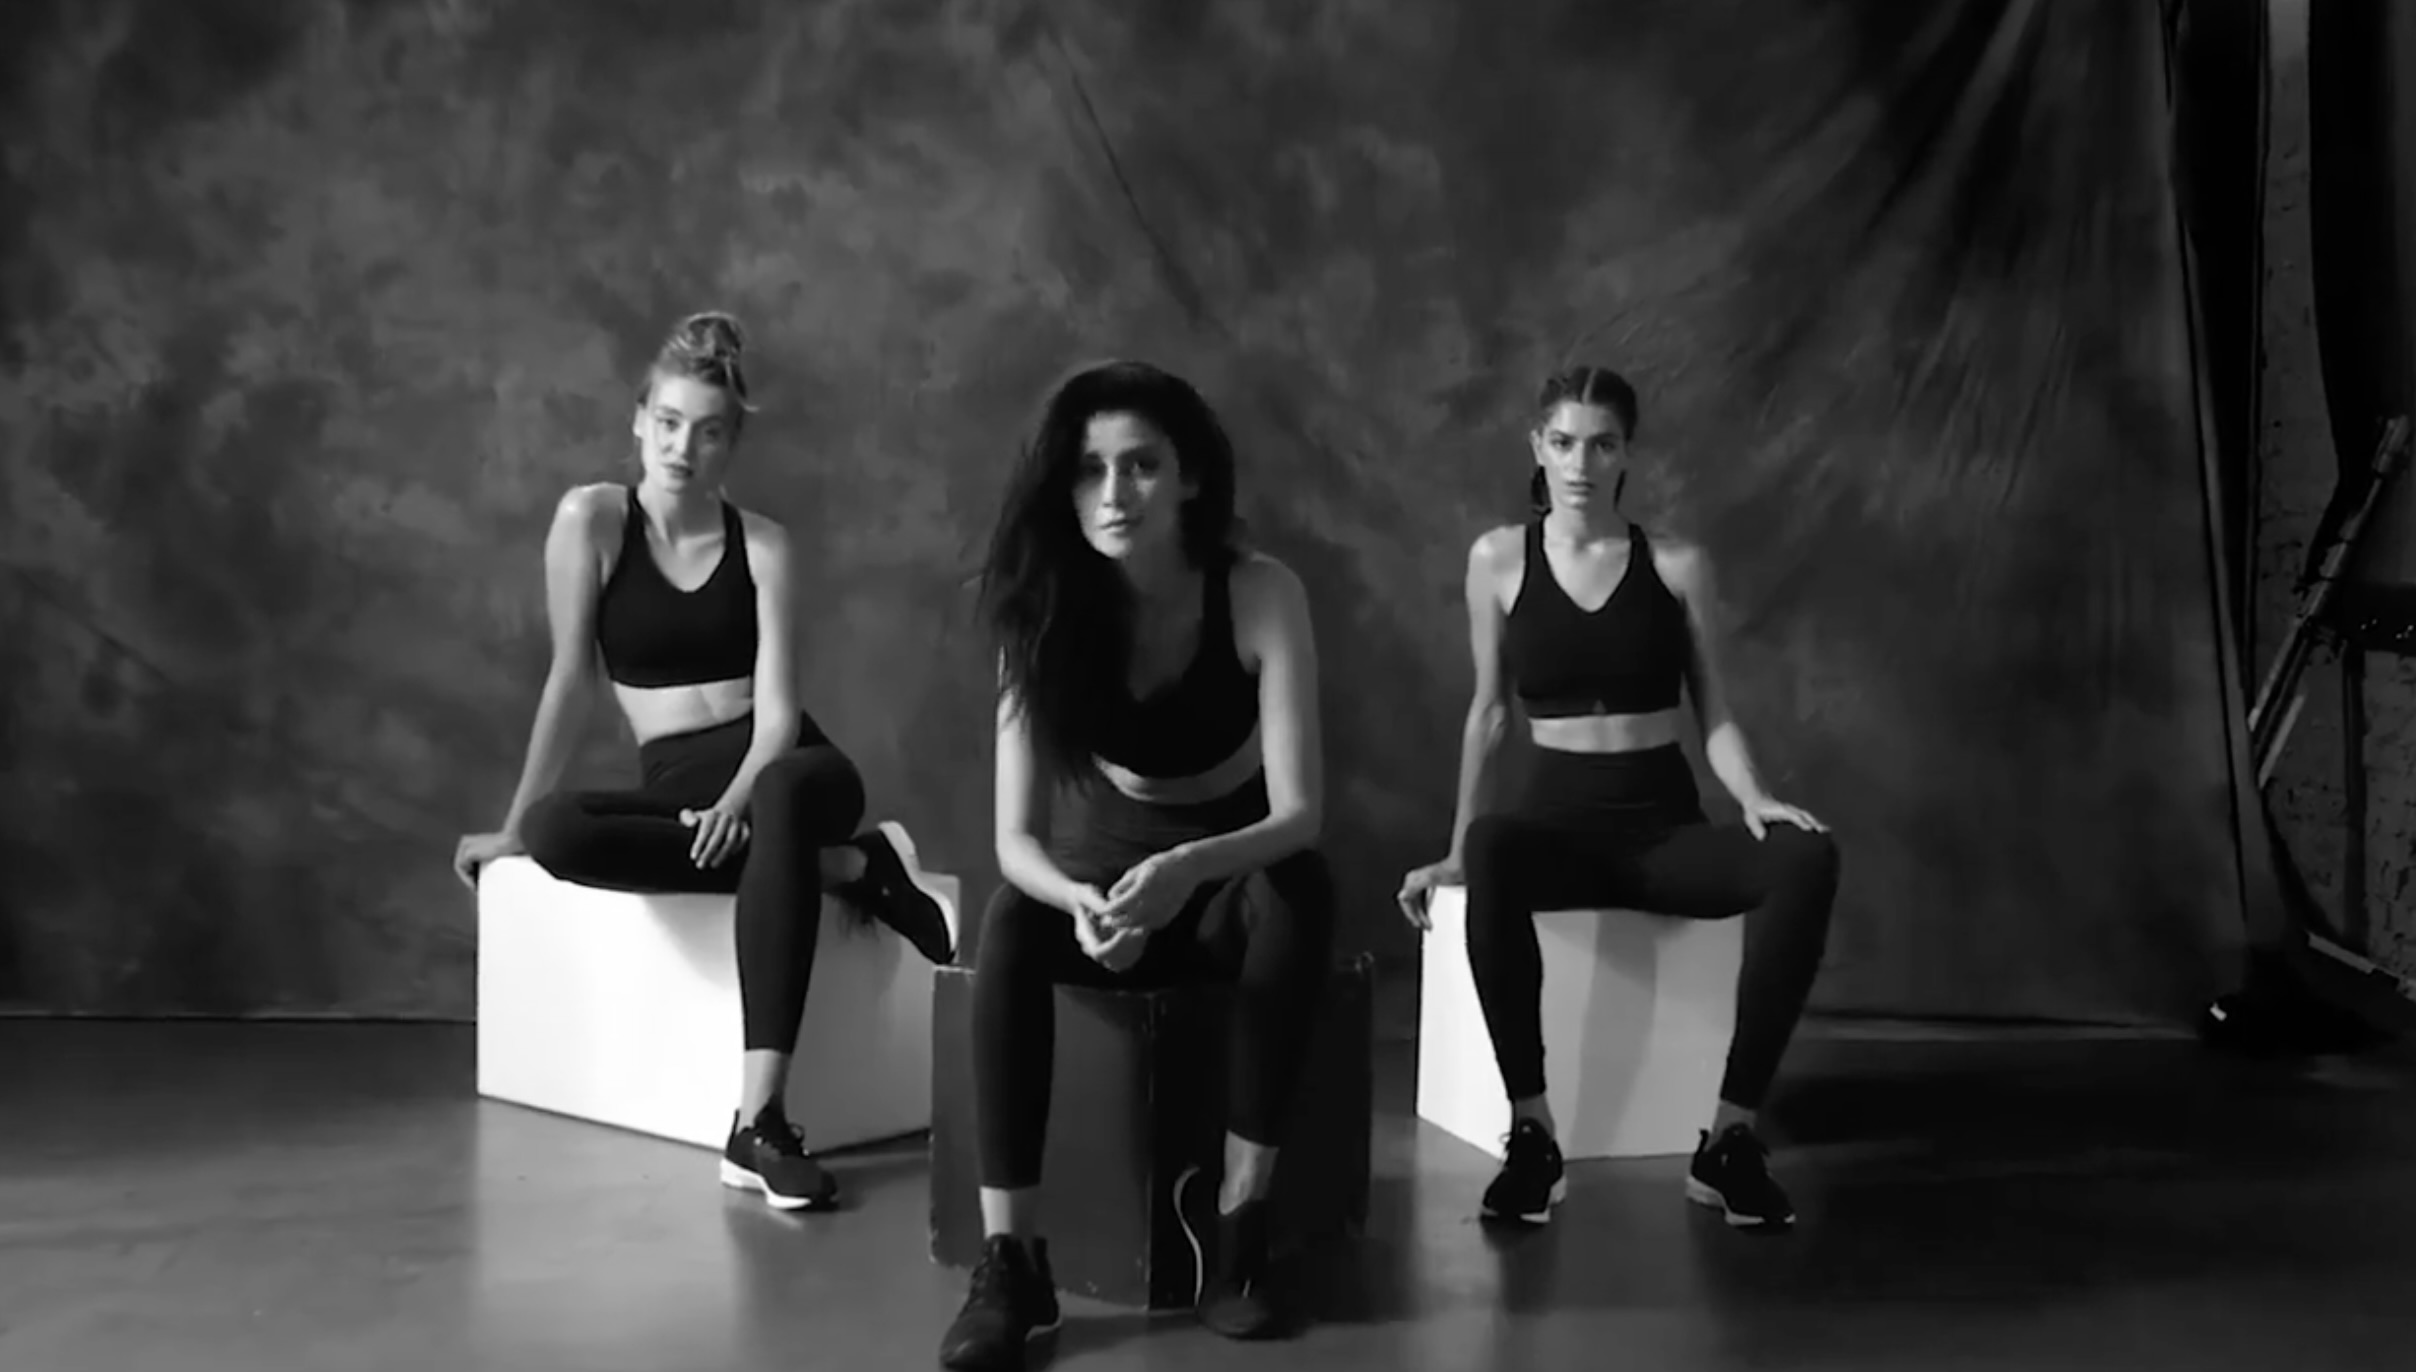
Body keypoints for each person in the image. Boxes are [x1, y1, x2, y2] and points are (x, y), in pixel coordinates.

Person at [451, 311, 955, 1213]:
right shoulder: (591, 522)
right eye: (669, 422)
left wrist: (738, 799)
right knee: (556, 830)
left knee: (784, 796)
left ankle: (760, 1123)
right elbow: (570, 679)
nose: (683, 448)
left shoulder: (763, 545)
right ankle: (852, 867)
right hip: (680, 782)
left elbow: (779, 714)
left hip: (787, 764)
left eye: (709, 432)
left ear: (731, 445)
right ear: (639, 420)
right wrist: (512, 821)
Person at [938, 360, 1334, 1369]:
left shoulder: (1260, 593)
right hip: (1109, 891)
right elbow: (1015, 841)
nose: (1113, 494)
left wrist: (1188, 870)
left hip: (1224, 888)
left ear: (1190, 477)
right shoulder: (1039, 612)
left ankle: (1238, 1233)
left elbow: (1298, 814)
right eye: (1089, 470)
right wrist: (1078, 901)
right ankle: (1012, 1260)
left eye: (1141, 465)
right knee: (1009, 920)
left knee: (1300, 891)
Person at [1397, 364, 1841, 1234]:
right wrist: (1453, 850)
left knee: (1807, 856)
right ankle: (1533, 1136)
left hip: (1662, 832)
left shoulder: (1676, 564)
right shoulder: (1497, 559)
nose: (1581, 463)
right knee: (1490, 848)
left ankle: (1731, 1140)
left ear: (1627, 454)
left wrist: (1754, 797)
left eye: (1602, 445)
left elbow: (1714, 710)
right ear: (1537, 445)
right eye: (1564, 442)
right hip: (1557, 830)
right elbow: (1489, 713)